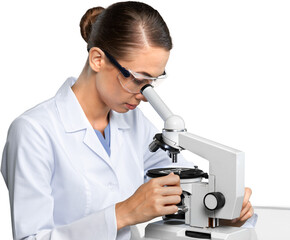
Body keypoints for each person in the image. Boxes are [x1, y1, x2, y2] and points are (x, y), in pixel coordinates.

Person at [1, 2, 255, 240]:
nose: (145, 95)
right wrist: (124, 213)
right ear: (97, 59)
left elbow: (180, 182)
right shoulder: (34, 132)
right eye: (137, 79)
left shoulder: (133, 122)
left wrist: (221, 212)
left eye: (153, 81)